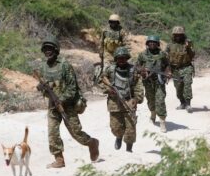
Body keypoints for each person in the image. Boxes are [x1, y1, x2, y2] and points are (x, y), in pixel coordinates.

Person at [37, 36, 99, 168]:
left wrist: (61, 100)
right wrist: (42, 88)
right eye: (45, 49)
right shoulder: (43, 67)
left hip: (68, 106)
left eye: (50, 49)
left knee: (76, 133)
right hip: (53, 106)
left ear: (56, 50)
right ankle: (59, 159)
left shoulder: (65, 66)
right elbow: (43, 85)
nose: (47, 52)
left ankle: (92, 143)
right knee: (52, 133)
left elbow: (72, 88)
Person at [101, 47, 144, 152]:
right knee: (116, 128)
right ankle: (119, 137)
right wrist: (109, 90)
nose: (121, 60)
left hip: (129, 101)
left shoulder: (133, 70)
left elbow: (138, 85)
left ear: (127, 58)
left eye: (124, 58)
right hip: (114, 102)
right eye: (119, 58)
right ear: (116, 59)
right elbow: (101, 81)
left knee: (131, 129)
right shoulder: (110, 70)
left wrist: (136, 99)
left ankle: (129, 149)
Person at [137, 35, 170, 133]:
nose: (152, 44)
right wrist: (143, 70)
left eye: (154, 42)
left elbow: (167, 65)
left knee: (160, 100)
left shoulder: (163, 54)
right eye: (150, 42)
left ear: (157, 44)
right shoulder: (142, 55)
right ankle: (153, 114)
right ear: (147, 44)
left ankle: (162, 121)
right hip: (147, 81)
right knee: (150, 100)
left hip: (159, 80)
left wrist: (168, 72)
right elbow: (137, 66)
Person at [165, 26, 195, 113]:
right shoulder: (169, 45)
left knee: (187, 85)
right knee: (178, 88)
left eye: (180, 35)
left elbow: (192, 55)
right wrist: (167, 70)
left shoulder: (188, 43)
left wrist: (188, 47)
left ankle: (188, 104)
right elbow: (165, 58)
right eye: (176, 35)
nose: (178, 37)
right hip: (175, 69)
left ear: (183, 35)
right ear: (173, 35)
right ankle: (182, 103)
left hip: (186, 67)